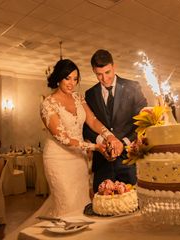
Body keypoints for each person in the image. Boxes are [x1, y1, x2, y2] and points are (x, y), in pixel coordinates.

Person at [39, 58, 121, 217]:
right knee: (66, 204)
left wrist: (109, 136)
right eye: (67, 78)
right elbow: (63, 138)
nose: (71, 83)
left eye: (75, 79)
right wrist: (95, 147)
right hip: (58, 159)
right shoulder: (48, 104)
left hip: (79, 158)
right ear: (58, 78)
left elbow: (92, 120)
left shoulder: (78, 97)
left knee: (81, 202)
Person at [83, 49, 147, 192]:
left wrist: (123, 142)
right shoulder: (90, 94)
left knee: (133, 203)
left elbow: (143, 122)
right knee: (103, 206)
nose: (104, 78)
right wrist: (101, 142)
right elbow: (86, 127)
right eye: (99, 74)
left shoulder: (133, 87)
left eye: (107, 72)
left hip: (129, 160)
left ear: (114, 66)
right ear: (93, 71)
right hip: (102, 163)